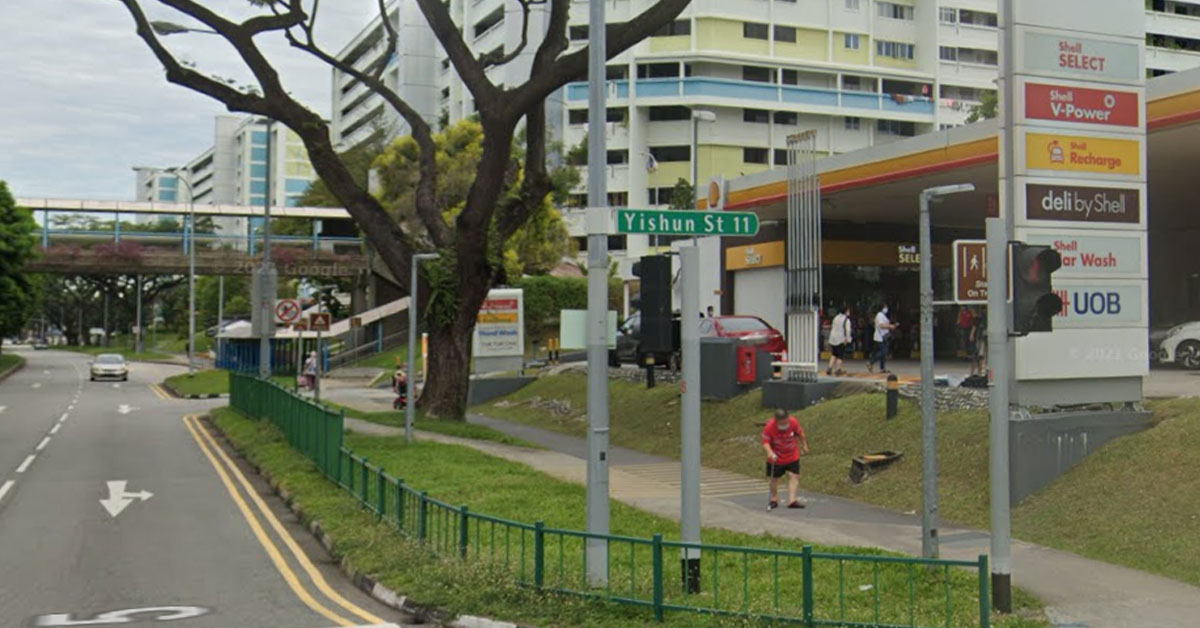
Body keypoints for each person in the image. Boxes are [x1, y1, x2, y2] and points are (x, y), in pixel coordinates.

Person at [762, 408, 809, 509]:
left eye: (786, 422)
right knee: (774, 479)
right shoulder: (769, 427)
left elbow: (800, 434)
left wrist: (804, 445)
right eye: (782, 424)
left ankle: (792, 500)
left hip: (792, 455)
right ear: (776, 421)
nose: (784, 426)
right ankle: (774, 499)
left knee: (794, 476)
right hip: (776, 457)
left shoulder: (793, 422)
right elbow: (765, 442)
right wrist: (770, 452)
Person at [868, 305, 898, 374]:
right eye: (885, 307)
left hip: (883, 336)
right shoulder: (880, 315)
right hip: (880, 337)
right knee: (883, 352)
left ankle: (882, 368)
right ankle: (871, 362)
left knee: (884, 352)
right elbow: (881, 325)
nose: (886, 309)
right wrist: (890, 326)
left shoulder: (882, 315)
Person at [826, 306, 852, 376]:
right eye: (848, 311)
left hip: (833, 338)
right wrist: (847, 339)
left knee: (834, 354)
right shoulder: (846, 320)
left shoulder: (836, 317)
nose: (849, 312)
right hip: (841, 339)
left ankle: (829, 368)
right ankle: (838, 370)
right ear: (846, 311)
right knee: (840, 355)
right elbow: (848, 330)